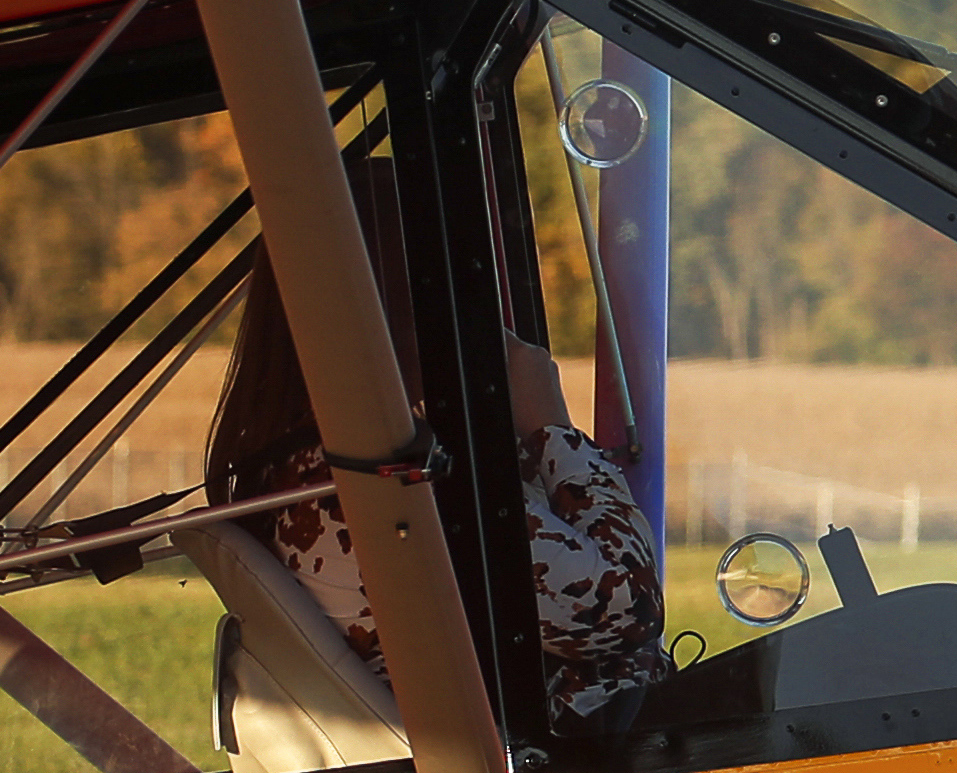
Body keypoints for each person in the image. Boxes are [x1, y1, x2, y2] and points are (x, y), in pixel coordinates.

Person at [204, 241, 663, 728]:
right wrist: (551, 427)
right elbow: (629, 610)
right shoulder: (385, 482)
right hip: (556, 749)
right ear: (394, 312)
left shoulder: (298, 464)